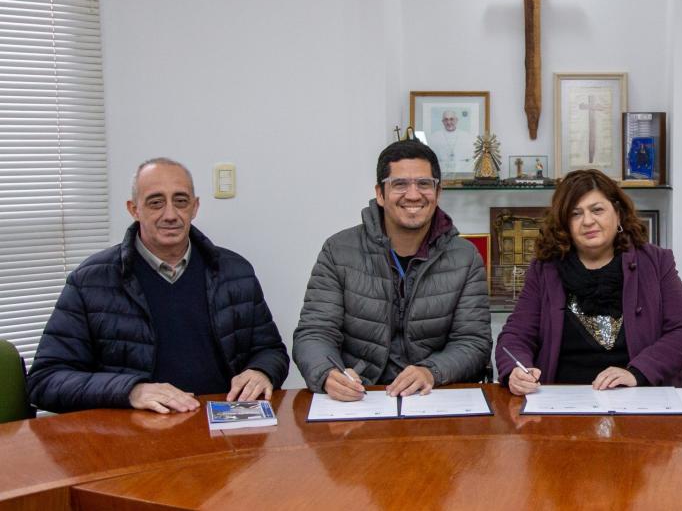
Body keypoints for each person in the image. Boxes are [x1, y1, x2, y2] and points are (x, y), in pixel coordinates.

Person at [26, 158, 289, 414]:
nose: (170, 214)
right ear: (134, 209)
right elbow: (45, 380)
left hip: (224, 426)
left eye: (181, 201)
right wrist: (130, 390)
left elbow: (270, 350)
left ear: (195, 207)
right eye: (155, 203)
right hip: (135, 436)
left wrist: (261, 371)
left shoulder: (235, 271)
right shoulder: (91, 281)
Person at [293, 139, 490, 401]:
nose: (413, 194)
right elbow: (314, 333)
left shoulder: (465, 257)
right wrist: (328, 373)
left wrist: (431, 371)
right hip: (360, 397)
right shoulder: (338, 250)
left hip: (432, 396)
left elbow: (474, 342)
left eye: (424, 184)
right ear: (380, 193)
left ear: (438, 192)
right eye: (399, 184)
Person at [496, 169, 682, 394]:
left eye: (597, 210)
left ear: (618, 213)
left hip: (640, 398)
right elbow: (515, 336)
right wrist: (517, 371)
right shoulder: (545, 269)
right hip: (561, 402)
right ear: (564, 224)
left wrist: (637, 373)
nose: (587, 221)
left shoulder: (655, 262)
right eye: (575, 214)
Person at [425, 109, 475, 175]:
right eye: (446, 119)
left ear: (456, 120)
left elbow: (470, 159)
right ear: (442, 121)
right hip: (441, 173)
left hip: (461, 173)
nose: (448, 122)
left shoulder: (466, 136)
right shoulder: (434, 137)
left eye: (451, 119)